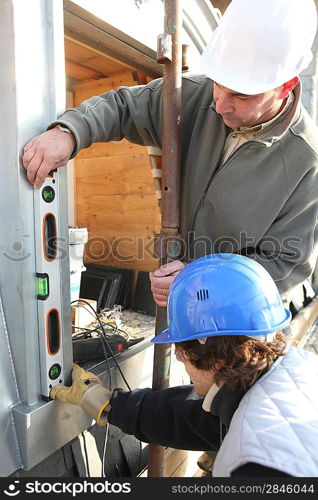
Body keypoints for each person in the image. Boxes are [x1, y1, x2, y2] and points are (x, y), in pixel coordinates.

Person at [22, 0, 318, 305]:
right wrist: (69, 131)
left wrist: (200, 281)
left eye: (241, 96)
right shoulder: (194, 95)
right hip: (180, 302)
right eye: (219, 84)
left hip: (236, 317)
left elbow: (285, 265)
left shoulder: (307, 161)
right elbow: (124, 107)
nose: (219, 104)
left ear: (285, 87)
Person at [50, 254, 318, 477]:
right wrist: (109, 405)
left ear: (211, 355)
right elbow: (194, 420)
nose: (178, 358)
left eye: (180, 349)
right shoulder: (292, 372)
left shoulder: (255, 465)